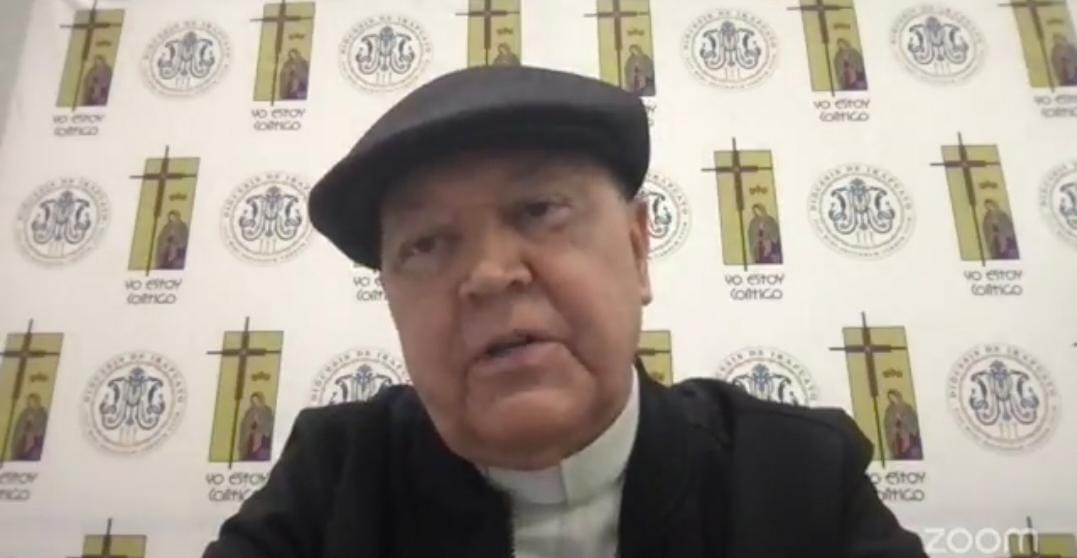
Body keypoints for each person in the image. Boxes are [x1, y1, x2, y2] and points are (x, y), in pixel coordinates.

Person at [204, 65, 926, 557]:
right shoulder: (333, 480)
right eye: (425, 244)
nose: (489, 275)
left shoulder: (797, 475)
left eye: (539, 209)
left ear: (637, 251)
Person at [883, 389, 922, 461]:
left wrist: (901, 418)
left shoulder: (907, 408)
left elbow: (913, 421)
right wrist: (893, 428)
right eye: (890, 398)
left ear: (898, 396)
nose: (892, 399)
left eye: (893, 397)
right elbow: (887, 424)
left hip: (908, 438)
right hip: (896, 439)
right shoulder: (889, 410)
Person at [11, 393, 48, 461]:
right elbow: (19, 428)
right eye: (28, 401)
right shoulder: (24, 413)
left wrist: (33, 430)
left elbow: (42, 429)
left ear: (37, 401)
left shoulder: (43, 414)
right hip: (22, 442)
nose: (29, 403)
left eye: (31, 401)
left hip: (36, 443)